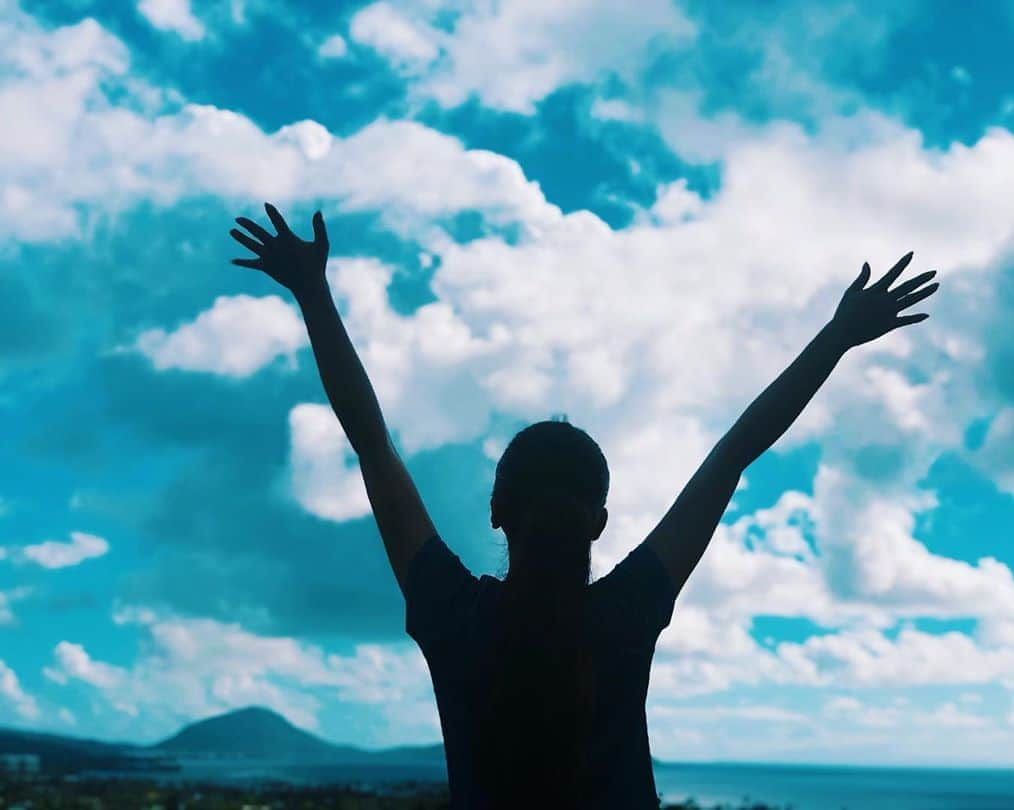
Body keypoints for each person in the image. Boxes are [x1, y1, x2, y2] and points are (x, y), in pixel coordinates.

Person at [229, 203, 939, 809]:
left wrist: (314, 296)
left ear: (497, 509)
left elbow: (371, 444)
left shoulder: (454, 616)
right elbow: (734, 454)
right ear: (598, 522)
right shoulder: (625, 615)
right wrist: (837, 337)